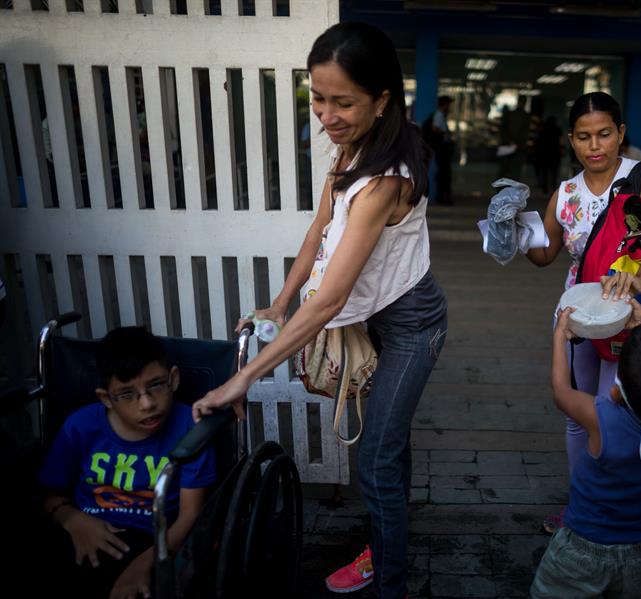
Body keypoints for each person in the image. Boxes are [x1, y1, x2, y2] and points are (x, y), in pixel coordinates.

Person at [191, 22, 447, 599]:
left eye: (343, 102)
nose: (327, 115)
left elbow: (331, 297)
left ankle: (392, 579)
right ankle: (387, 542)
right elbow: (319, 230)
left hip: (411, 325)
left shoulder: (387, 179)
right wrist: (280, 305)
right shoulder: (353, 146)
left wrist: (243, 380)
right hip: (371, 317)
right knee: (389, 447)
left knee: (377, 459)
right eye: (318, 98)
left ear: (383, 100)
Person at [526, 91, 641, 534]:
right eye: (585, 136)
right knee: (578, 416)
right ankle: (582, 508)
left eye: (605, 134)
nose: (596, 146)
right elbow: (546, 254)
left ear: (621, 133)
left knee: (616, 417)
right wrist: (515, 233)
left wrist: (639, 278)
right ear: (571, 141)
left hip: (629, 314)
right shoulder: (566, 193)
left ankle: (613, 510)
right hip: (579, 316)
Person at [530, 301, 641, 598]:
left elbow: (562, 392)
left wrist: (560, 336)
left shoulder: (604, 419)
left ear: (617, 387)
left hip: (580, 551)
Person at [38, 326, 216, 599]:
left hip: (153, 539)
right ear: (106, 398)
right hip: (83, 528)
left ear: (174, 379)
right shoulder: (81, 426)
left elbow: (190, 515)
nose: (146, 404)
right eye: (127, 393)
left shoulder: (190, 429)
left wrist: (142, 565)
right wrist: (72, 519)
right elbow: (50, 495)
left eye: (156, 385)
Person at [425, 95, 454, 205]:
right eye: (448, 104)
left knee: (444, 173)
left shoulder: (441, 115)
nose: (449, 107)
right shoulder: (439, 115)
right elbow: (435, 129)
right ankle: (442, 197)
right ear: (444, 105)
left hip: (442, 148)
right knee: (444, 173)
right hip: (442, 149)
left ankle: (442, 196)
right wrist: (445, 134)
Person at [499, 95, 531, 180]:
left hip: (508, 144)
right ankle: (511, 189)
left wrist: (509, 140)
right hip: (518, 146)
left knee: (505, 169)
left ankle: (501, 188)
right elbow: (525, 132)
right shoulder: (526, 116)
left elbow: (503, 129)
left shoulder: (509, 114)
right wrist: (517, 142)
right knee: (515, 170)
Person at [534, 115, 563, 193]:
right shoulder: (557, 129)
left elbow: (538, 142)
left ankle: (545, 188)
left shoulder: (543, 130)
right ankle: (553, 187)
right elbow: (561, 141)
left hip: (544, 154)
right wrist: (561, 150)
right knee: (554, 172)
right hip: (555, 153)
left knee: (544, 172)